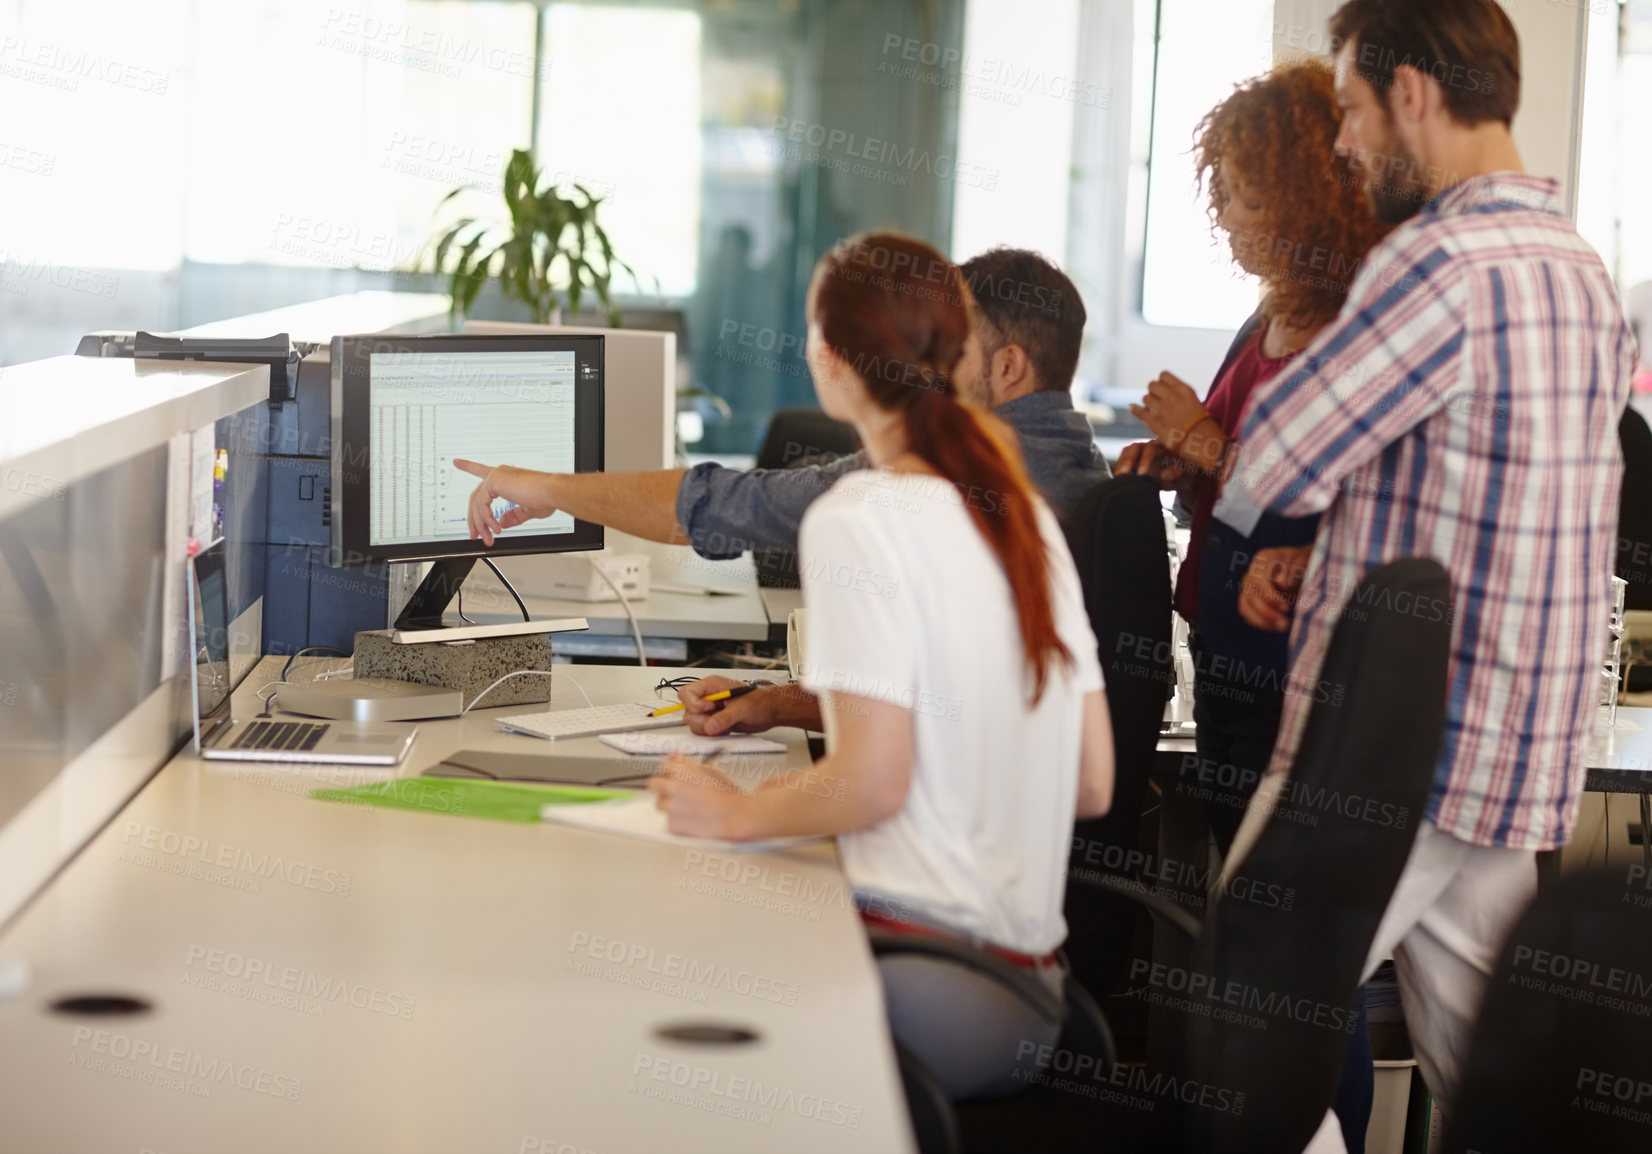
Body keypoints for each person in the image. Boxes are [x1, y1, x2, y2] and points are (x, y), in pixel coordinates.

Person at [1191, 1, 1634, 1138]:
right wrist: (1322, 540)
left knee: (1245, 1026)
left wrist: (1277, 512)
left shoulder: (1439, 259)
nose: (1340, 143)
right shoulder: (1576, 267)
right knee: (1506, 1070)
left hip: (1393, 746)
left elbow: (1275, 456)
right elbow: (1484, 486)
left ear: (1413, 95)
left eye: (1347, 108)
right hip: (1516, 739)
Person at [646, 231, 1115, 1102]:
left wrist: (737, 811)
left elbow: (873, 781)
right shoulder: (1024, 517)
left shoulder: (858, 517)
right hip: (1034, 997)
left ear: (832, 362)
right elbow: (1090, 782)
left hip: (931, 990)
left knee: (666, 977)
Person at [456, 247, 1108, 734]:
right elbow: (948, 711)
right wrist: (778, 702)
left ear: (1007, 366)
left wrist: (549, 487)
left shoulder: (939, 480)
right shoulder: (1092, 474)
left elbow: (725, 506)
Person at [1117, 59, 1394, 1154]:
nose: (1224, 215)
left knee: (1298, 960)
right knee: (1250, 953)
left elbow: (1333, 510)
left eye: (1239, 188)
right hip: (1226, 662)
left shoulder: (1356, 335)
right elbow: (1237, 487)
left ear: (1303, 191)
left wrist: (1204, 443)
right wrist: (1175, 461)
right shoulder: (1261, 322)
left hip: (1296, 679)